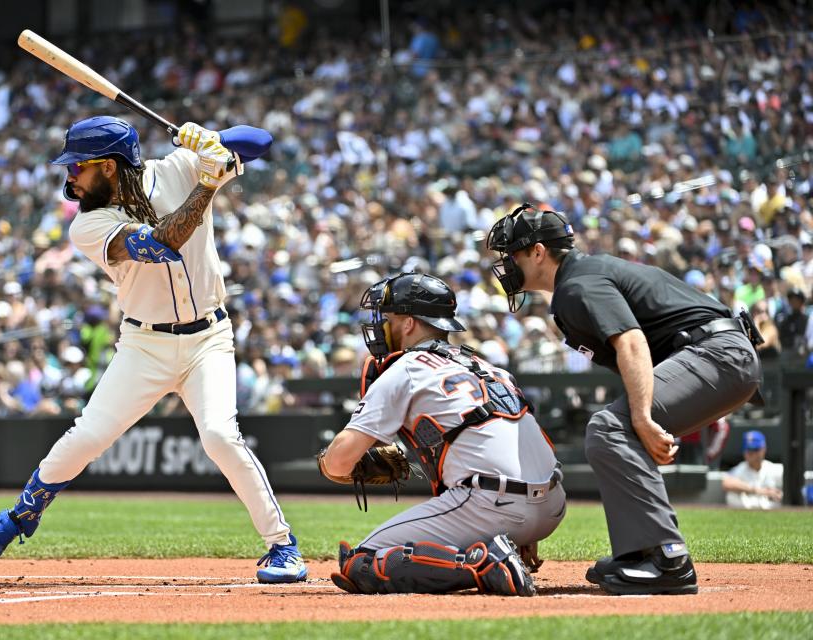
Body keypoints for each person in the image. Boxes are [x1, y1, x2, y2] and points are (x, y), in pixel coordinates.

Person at [0, 116, 307, 583]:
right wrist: (209, 182)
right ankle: (21, 514)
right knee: (87, 436)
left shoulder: (177, 167)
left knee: (220, 436)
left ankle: (282, 546)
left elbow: (261, 140)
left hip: (209, 337)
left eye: (77, 167)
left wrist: (210, 140)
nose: (69, 177)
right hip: (143, 343)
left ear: (108, 167)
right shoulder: (88, 224)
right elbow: (163, 241)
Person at [486, 203, 763, 596]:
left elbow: (631, 342)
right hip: (717, 354)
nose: (506, 264)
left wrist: (644, 418)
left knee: (611, 427)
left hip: (717, 353)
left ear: (537, 252)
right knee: (614, 430)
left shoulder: (578, 283)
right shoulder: (580, 280)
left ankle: (667, 558)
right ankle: (640, 556)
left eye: (512, 253)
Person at [317, 272, 565, 595]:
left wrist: (328, 463)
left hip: (494, 504)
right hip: (552, 506)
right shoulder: (487, 366)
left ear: (409, 324)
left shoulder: (407, 367)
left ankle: (483, 563)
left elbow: (337, 463)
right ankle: (501, 547)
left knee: (362, 562)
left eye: (389, 318)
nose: (382, 327)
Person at [722, 430, 783, 509]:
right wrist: (758, 490)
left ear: (763, 449)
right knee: (732, 495)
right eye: (749, 450)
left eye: (755, 450)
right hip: (745, 512)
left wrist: (779, 494)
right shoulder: (740, 469)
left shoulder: (775, 469)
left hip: (772, 511)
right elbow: (726, 483)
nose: (752, 454)